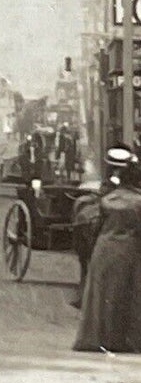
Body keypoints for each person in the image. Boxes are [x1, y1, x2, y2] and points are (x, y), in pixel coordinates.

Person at [74, 147, 141, 352]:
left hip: (104, 247)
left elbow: (96, 224)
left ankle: (99, 337)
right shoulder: (137, 200)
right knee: (129, 293)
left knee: (102, 292)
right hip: (128, 247)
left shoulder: (105, 198)